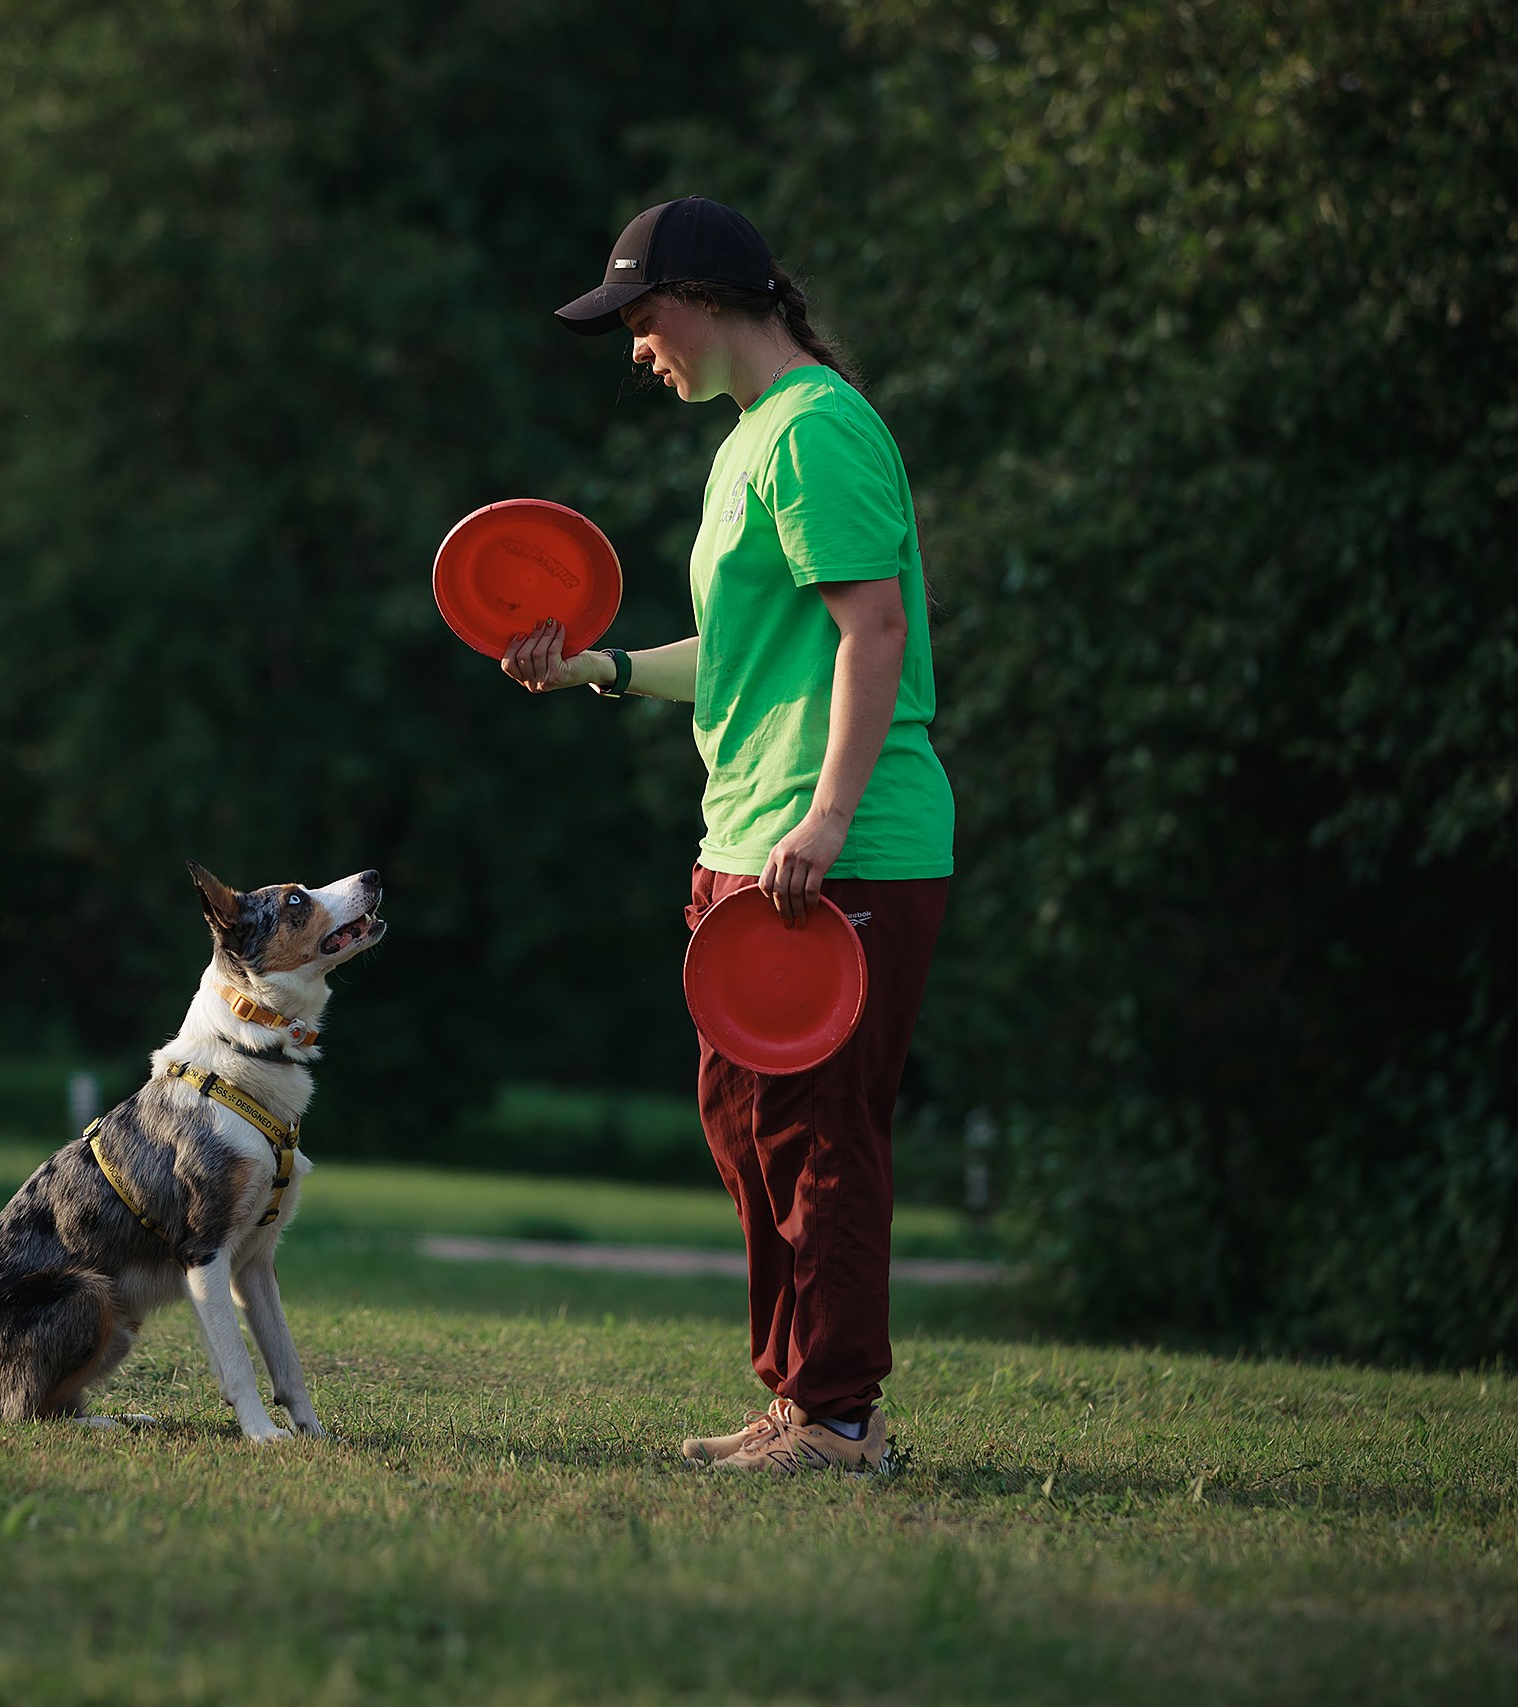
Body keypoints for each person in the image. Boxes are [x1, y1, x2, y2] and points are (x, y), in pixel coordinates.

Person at [506, 197, 952, 1473]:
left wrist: (824, 815)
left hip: (842, 849)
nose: (637, 347)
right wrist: (598, 667)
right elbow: (748, 655)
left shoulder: (819, 431)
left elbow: (875, 634)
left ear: (702, 298)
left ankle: (839, 1419)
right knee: (748, 1130)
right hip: (747, 845)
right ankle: (796, 1401)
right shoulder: (748, 442)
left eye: (640, 319)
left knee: (820, 1138)